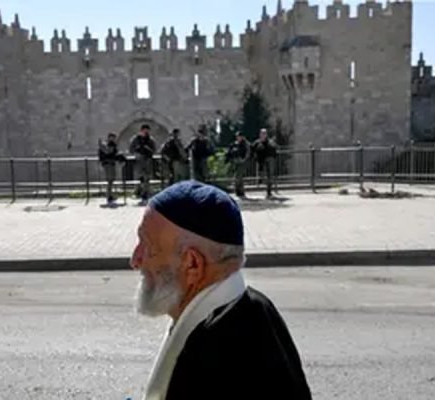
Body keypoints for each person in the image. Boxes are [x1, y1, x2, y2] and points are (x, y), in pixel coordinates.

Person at [130, 181, 312, 400]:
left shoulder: (216, 353)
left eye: (147, 246)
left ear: (193, 264)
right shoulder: (253, 305)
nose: (135, 260)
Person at [129, 124, 157, 204]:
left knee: (147, 177)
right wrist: (136, 154)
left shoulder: (150, 139)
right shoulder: (136, 139)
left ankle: (145, 193)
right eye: (145, 130)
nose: (146, 131)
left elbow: (154, 149)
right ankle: (140, 192)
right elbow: (131, 149)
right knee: (140, 177)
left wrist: (149, 151)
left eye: (147, 130)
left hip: (147, 159)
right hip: (139, 160)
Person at [98, 132, 126, 204]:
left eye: (114, 138)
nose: (113, 139)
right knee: (110, 180)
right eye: (112, 137)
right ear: (109, 137)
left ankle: (110, 196)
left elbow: (114, 154)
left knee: (111, 180)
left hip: (111, 164)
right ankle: (109, 197)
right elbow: (108, 152)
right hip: (107, 164)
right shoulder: (106, 145)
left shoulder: (111, 145)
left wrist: (120, 156)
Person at [251, 128, 277, 198]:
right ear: (260, 134)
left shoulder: (270, 142)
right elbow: (252, 149)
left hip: (269, 160)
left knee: (270, 176)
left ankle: (269, 192)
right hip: (261, 162)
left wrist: (273, 157)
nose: (263, 135)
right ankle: (265, 186)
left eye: (264, 133)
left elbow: (274, 149)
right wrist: (254, 157)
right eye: (262, 133)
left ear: (266, 134)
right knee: (262, 176)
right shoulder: (257, 142)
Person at [226, 132, 250, 197]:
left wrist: (244, 159)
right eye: (237, 136)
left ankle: (237, 191)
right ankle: (241, 192)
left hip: (242, 162)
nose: (238, 137)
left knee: (238, 176)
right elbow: (229, 151)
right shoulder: (234, 144)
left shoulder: (245, 144)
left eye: (239, 136)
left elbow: (247, 153)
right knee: (240, 177)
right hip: (235, 161)